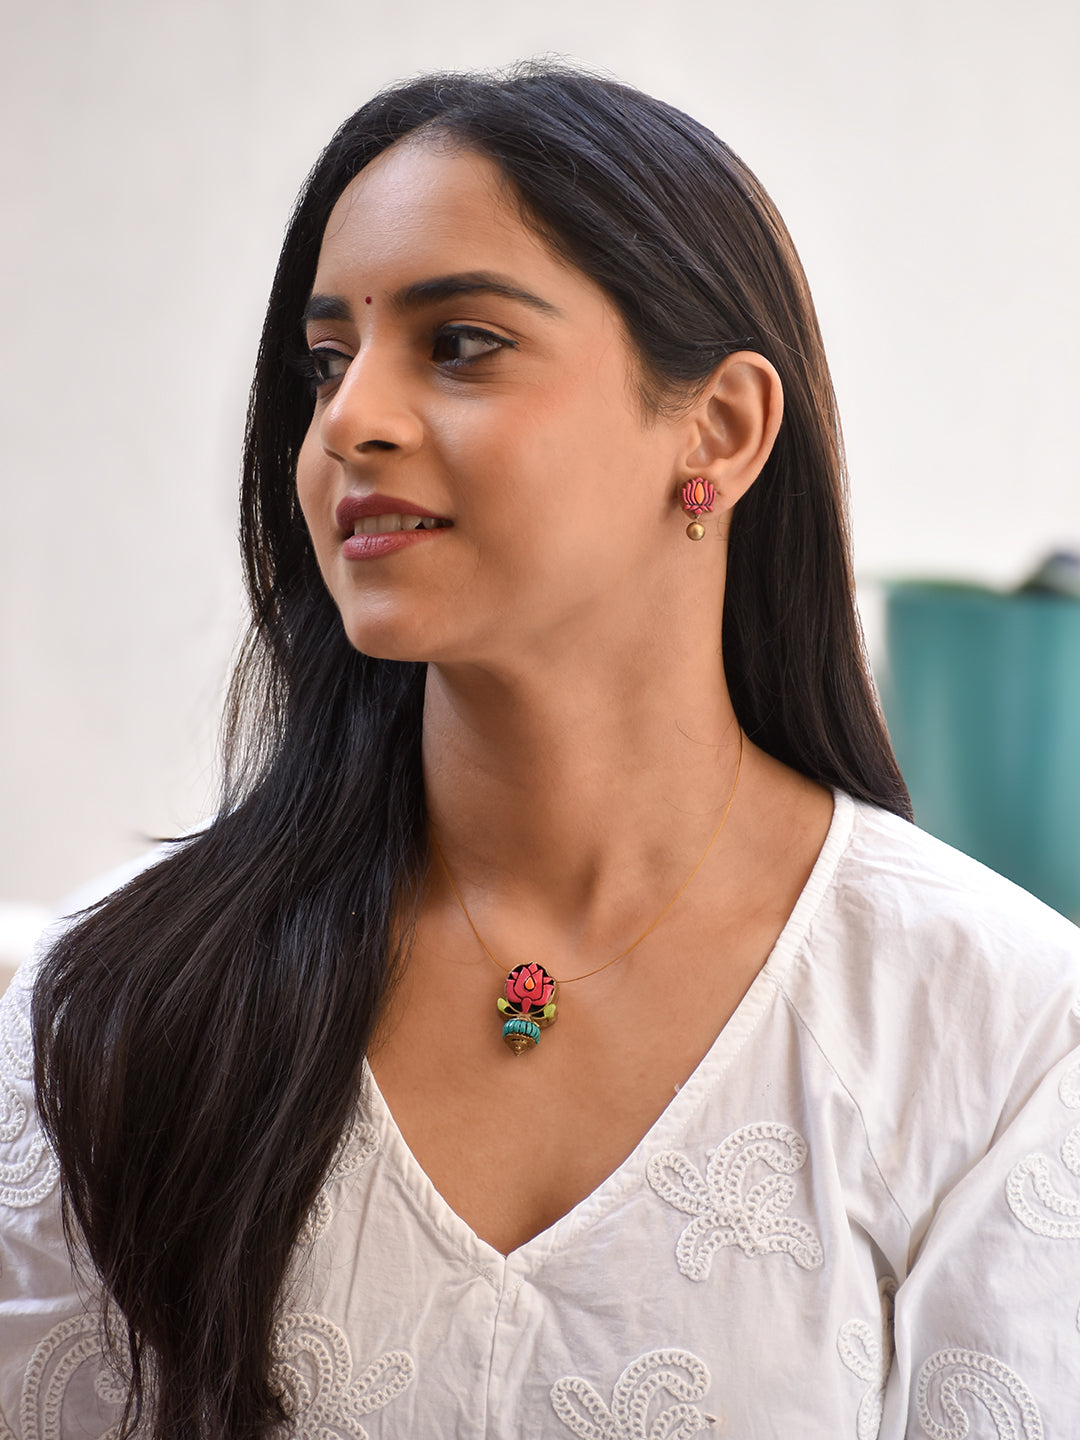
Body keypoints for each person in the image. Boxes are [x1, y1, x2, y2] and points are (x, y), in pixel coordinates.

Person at [2, 63, 1078, 1440]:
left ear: (723, 427)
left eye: (461, 344)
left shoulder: (997, 1034)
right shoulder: (114, 1003)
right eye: (329, 361)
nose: (348, 423)